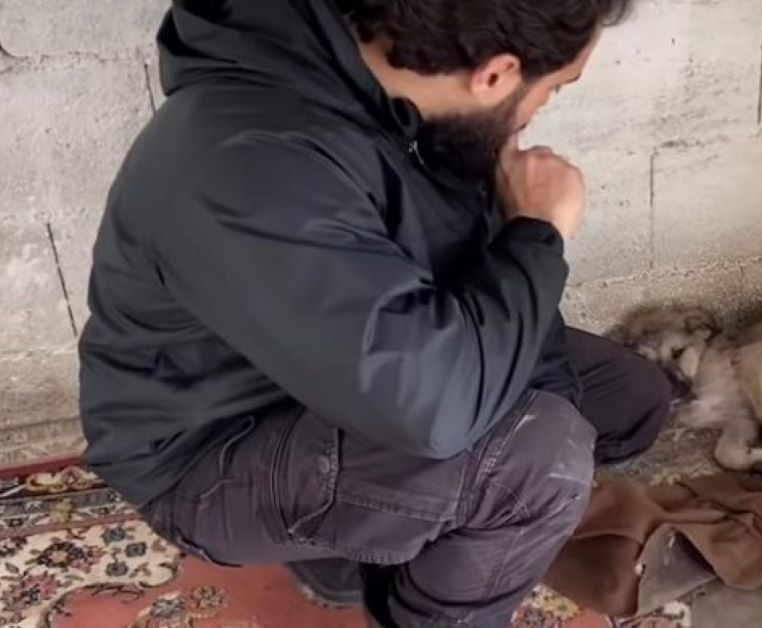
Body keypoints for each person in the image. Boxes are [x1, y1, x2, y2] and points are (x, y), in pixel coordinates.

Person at [77, 0, 671, 625]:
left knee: (627, 399)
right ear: (495, 75)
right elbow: (437, 412)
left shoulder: (395, 86)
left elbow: (464, 295)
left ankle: (368, 537)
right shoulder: (248, 164)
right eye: (551, 90)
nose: (544, 108)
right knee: (537, 462)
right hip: (211, 446)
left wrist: (545, 373)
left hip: (344, 367)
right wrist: (537, 233)